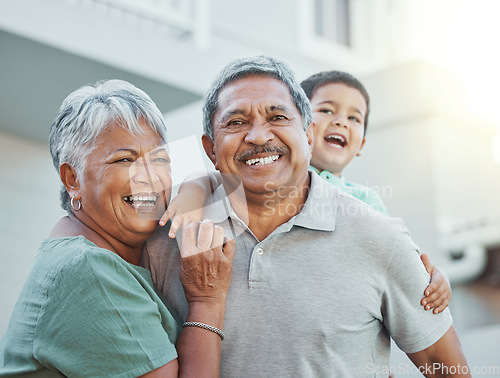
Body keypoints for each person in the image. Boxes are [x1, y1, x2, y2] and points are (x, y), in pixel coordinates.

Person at [144, 56, 470, 377]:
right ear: (211, 149)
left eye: (277, 117)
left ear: (309, 135)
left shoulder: (379, 237)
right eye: (236, 122)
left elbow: (447, 369)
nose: (258, 136)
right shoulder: (165, 242)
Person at [0, 79, 235, 377]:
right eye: (125, 159)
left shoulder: (95, 252)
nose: (149, 177)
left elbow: (209, 176)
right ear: (73, 179)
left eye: (159, 159)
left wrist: (195, 188)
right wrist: (206, 299)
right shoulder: (88, 268)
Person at [301, 70, 451, 314]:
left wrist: (436, 277)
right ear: (298, 124)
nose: (341, 121)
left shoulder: (366, 200)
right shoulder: (280, 184)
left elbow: (401, 258)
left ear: (361, 145)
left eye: (354, 118)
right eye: (327, 110)